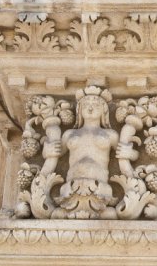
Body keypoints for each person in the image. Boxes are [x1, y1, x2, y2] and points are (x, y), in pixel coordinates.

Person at [51, 87, 119, 217]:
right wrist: (48, 151)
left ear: (104, 110)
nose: (90, 108)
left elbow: (125, 157)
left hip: (101, 187)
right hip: (70, 187)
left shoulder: (111, 135)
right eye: (86, 105)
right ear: (79, 110)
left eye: (96, 105)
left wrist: (129, 153)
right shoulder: (69, 134)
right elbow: (55, 155)